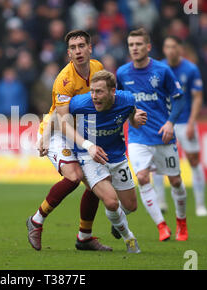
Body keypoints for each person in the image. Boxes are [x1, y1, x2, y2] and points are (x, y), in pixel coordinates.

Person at [27, 30, 109, 251]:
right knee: (74, 177)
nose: (78, 51)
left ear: (90, 48)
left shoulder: (98, 68)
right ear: (68, 53)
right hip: (57, 132)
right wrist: (44, 138)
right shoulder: (63, 80)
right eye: (73, 48)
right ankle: (36, 220)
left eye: (82, 45)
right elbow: (60, 119)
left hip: (81, 131)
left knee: (94, 184)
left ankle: (84, 237)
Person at [116, 28, 188, 242]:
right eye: (131, 45)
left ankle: (181, 222)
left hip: (162, 135)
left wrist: (170, 123)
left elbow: (179, 98)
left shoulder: (162, 70)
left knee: (175, 181)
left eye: (139, 44)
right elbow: (119, 101)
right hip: (138, 137)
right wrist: (129, 117)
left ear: (148, 47)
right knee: (142, 177)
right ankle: (161, 226)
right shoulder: (122, 73)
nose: (134, 48)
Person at [68, 70, 147, 253]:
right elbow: (57, 116)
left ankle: (116, 220)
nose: (94, 97)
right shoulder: (80, 103)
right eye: (93, 91)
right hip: (90, 157)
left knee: (130, 206)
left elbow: (131, 116)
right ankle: (129, 238)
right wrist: (45, 138)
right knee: (112, 203)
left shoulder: (127, 99)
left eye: (100, 92)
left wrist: (134, 119)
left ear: (113, 91)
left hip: (117, 157)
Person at [152, 36, 207, 217]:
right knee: (158, 163)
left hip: (185, 122)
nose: (170, 50)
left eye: (173, 46)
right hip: (164, 122)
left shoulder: (190, 69)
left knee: (193, 160)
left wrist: (192, 122)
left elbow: (197, 97)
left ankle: (200, 204)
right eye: (167, 46)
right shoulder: (158, 68)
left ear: (180, 49)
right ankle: (161, 201)